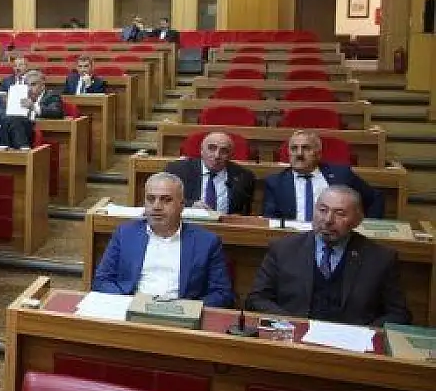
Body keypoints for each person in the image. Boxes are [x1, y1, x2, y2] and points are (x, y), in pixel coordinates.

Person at [247, 185, 409, 325]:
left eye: (340, 213)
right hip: (293, 337)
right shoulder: (283, 249)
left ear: (358, 220)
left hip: (351, 344)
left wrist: (364, 333)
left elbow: (399, 314)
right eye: (322, 210)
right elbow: (257, 299)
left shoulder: (380, 258)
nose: (328, 220)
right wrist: (290, 324)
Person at [91, 173, 234, 308]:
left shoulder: (207, 242)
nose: (156, 206)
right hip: (131, 310)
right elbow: (102, 280)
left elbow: (222, 293)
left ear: (182, 205)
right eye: (150, 199)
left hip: (180, 316)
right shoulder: (125, 233)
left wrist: (187, 309)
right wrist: (130, 304)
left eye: (166, 200)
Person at [263, 130, 382, 220]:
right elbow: (270, 220)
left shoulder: (341, 176)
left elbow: (375, 198)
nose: (299, 154)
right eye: (294, 148)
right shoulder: (275, 183)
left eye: (306, 148)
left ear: (318, 154)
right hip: (293, 239)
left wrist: (366, 227)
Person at [166, 131, 255, 215]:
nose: (217, 155)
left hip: (226, 224)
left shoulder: (244, 176)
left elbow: (245, 212)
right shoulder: (177, 170)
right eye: (212, 148)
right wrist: (190, 204)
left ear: (230, 155)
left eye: (223, 151)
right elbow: (166, 199)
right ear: (201, 150)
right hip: (188, 222)